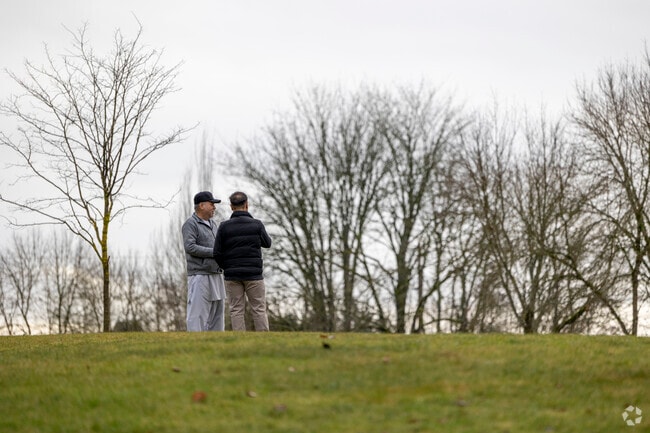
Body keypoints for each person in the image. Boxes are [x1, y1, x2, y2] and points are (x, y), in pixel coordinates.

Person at [213, 191, 272, 331]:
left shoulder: (224, 226)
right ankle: (263, 339)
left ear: (231, 207)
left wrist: (226, 267)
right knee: (258, 309)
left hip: (232, 275)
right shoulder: (257, 225)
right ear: (247, 205)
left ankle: (239, 339)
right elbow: (267, 243)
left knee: (236, 310)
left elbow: (216, 252)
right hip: (254, 275)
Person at [181, 191, 226, 332]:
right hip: (200, 275)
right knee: (198, 314)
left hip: (216, 273)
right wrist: (215, 253)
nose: (214, 207)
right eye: (211, 204)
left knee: (218, 316)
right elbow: (190, 247)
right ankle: (194, 344)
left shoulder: (214, 224)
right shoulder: (190, 224)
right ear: (201, 205)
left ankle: (217, 346)